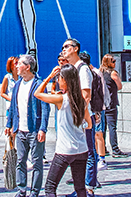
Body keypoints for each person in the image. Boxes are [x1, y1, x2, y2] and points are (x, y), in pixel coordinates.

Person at [34, 65, 90, 197]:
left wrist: (48, 77)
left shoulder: (61, 99)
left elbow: (37, 94)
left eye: (59, 78)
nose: (58, 81)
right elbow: (89, 124)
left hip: (65, 150)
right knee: (80, 188)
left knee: (50, 187)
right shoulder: (81, 100)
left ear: (65, 79)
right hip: (82, 148)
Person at [5, 55, 49, 197]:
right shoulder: (17, 84)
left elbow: (45, 108)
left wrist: (42, 128)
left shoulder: (38, 84)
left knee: (37, 163)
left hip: (34, 130)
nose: (16, 66)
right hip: (20, 130)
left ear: (28, 67)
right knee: (20, 160)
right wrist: (9, 124)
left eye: (19, 64)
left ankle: (34, 191)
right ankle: (21, 189)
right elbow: (13, 106)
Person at [61, 40, 98, 195]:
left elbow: (86, 95)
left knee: (89, 152)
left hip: (82, 118)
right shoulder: (74, 69)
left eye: (66, 47)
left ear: (75, 49)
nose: (63, 50)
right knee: (79, 154)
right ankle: (80, 188)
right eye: (62, 47)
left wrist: (79, 117)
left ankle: (89, 187)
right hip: (75, 117)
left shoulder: (82, 69)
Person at [98, 55, 127, 158]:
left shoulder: (99, 72)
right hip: (111, 103)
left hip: (101, 104)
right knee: (112, 127)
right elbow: (120, 86)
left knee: (103, 127)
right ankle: (115, 149)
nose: (115, 63)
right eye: (113, 61)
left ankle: (103, 148)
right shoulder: (113, 73)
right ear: (109, 62)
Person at [0, 56, 19, 143]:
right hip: (11, 106)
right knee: (10, 129)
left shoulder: (21, 77)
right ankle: (10, 149)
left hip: (20, 106)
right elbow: (2, 92)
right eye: (15, 63)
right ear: (11, 66)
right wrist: (11, 99)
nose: (17, 64)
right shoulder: (7, 77)